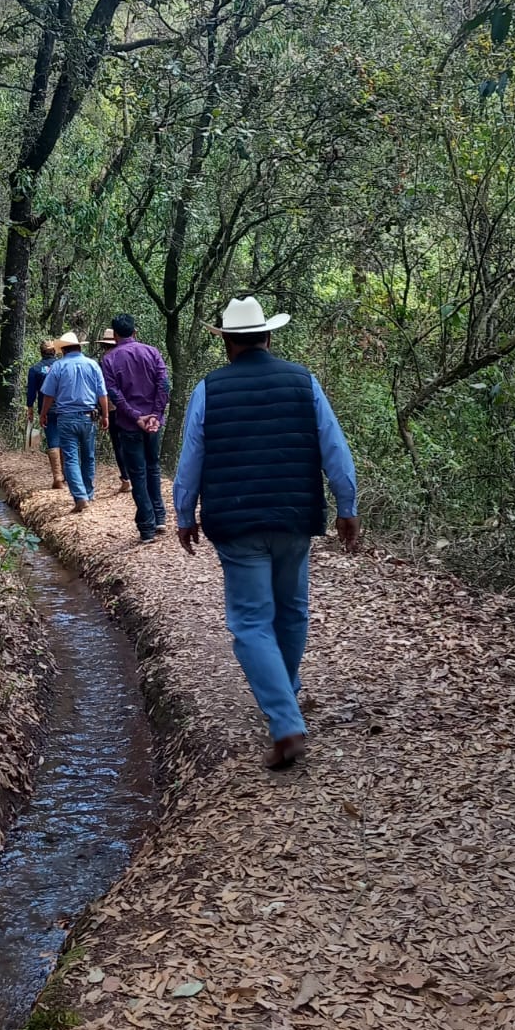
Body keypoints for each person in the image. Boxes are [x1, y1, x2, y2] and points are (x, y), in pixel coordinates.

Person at [172, 296, 360, 771]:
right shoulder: (304, 381)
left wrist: (183, 513)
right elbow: (333, 446)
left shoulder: (209, 390)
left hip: (235, 523)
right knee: (292, 609)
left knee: (251, 622)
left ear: (228, 344)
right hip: (296, 516)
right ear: (268, 337)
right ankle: (285, 698)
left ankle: (285, 720)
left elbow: (191, 457)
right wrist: (347, 505)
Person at [102, 313, 170, 543]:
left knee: (138, 473)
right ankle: (159, 517)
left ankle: (147, 527)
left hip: (130, 424)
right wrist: (156, 415)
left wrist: (136, 416)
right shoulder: (152, 352)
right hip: (152, 423)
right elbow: (163, 384)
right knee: (153, 467)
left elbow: (114, 394)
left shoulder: (110, 359)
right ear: (135, 331)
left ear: (115, 335)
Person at [39, 332, 108, 512]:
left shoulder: (58, 366)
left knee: (71, 458)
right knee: (88, 456)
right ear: (79, 347)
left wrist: (43, 413)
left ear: (62, 349)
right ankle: (88, 493)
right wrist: (106, 415)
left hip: (66, 417)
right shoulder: (93, 365)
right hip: (89, 416)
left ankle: (80, 497)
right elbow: (102, 393)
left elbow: (48, 394)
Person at [27, 341, 65, 489]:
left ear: (41, 352)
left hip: (46, 409)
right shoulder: (63, 365)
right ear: (54, 352)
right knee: (66, 439)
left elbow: (31, 392)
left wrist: (30, 408)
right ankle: (68, 474)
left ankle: (58, 477)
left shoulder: (35, 369)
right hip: (65, 408)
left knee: (53, 439)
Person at [98, 328, 132, 494]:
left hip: (112, 407)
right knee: (131, 442)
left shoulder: (103, 362)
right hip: (131, 407)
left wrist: (101, 410)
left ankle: (126, 478)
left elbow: (101, 389)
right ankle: (134, 475)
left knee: (118, 443)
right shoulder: (128, 358)